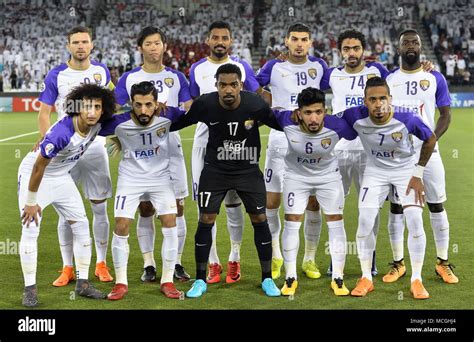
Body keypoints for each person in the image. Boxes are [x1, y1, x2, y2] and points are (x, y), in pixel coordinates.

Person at [169, 64, 281, 298]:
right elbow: (178, 122)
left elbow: (282, 123)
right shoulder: (205, 104)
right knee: (206, 218)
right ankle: (200, 280)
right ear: (216, 86)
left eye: (233, 84)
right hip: (215, 171)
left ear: (241, 85)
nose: (228, 90)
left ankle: (267, 278)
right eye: (223, 85)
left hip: (248, 171)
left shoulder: (255, 104)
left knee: (260, 218)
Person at [18, 84, 116, 307]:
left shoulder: (99, 124)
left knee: (81, 224)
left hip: (61, 176)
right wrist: (31, 202)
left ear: (103, 110)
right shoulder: (62, 133)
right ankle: (30, 289)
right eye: (87, 107)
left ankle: (83, 284)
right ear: (77, 108)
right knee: (31, 227)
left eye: (97, 107)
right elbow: (38, 167)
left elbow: (129, 119)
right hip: (36, 176)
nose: (91, 112)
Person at [339, 77, 436, 299]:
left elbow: (430, 139)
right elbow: (329, 121)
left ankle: (416, 280)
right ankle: (366, 277)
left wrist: (418, 174)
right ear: (365, 102)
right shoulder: (354, 115)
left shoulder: (407, 117)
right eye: (372, 99)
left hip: (405, 171)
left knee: (414, 219)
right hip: (375, 171)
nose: (378, 104)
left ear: (390, 99)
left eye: (383, 98)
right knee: (365, 220)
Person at [37, 26, 114, 286]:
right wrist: (45, 137)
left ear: (92, 45)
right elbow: (45, 111)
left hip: (94, 148)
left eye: (85, 41)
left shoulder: (101, 71)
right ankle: (67, 267)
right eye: (76, 42)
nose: (80, 46)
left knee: (99, 206)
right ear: (68, 46)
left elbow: (111, 103)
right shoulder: (57, 74)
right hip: (65, 151)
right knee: (64, 211)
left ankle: (101, 263)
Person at [115, 26, 193, 283]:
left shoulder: (177, 77)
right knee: (145, 208)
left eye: (157, 43)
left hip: (171, 148)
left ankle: (177, 262)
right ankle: (149, 263)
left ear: (164, 46)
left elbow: (188, 111)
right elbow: (114, 111)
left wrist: (167, 110)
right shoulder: (128, 78)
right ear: (140, 48)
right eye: (148, 43)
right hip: (141, 154)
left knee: (177, 208)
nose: (153, 47)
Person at [188, 21, 260, 284]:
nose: (220, 41)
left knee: (233, 203)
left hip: (235, 143)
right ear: (208, 40)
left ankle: (234, 258)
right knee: (205, 205)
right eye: (215, 37)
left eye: (225, 38)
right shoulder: (196, 69)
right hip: (203, 141)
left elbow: (257, 98)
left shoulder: (242, 67)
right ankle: (213, 263)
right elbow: (191, 105)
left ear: (231, 41)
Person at [385, 29, 457, 284]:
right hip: (399, 154)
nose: (411, 46)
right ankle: (398, 264)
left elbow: (446, 115)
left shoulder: (435, 77)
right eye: (406, 43)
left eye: (415, 42)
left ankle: (443, 262)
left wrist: (433, 138)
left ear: (420, 46)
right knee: (396, 208)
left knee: (437, 204)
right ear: (399, 48)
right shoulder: (389, 79)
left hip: (430, 152)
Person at [256, 23, 328, 280]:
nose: (299, 43)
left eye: (304, 39)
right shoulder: (273, 67)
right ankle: (276, 256)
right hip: (279, 140)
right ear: (286, 41)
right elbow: (251, 86)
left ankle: (308, 259)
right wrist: (269, 107)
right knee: (271, 202)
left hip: (311, 142)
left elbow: (342, 83)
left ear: (311, 42)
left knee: (312, 202)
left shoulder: (320, 67)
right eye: (295, 39)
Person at [272, 87, 357, 296]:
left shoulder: (338, 125)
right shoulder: (285, 120)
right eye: (308, 112)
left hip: (328, 177)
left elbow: (363, 120)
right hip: (296, 177)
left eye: (318, 112)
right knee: (292, 220)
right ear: (298, 112)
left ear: (325, 111)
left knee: (335, 220)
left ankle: (338, 278)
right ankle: (290, 277)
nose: (313, 118)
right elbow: (261, 110)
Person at [105, 81, 184, 300]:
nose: (143, 110)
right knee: (121, 225)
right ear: (131, 103)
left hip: (160, 179)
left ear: (156, 103)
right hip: (130, 179)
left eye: (148, 104)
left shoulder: (168, 116)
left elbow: (194, 113)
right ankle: (121, 283)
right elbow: (89, 124)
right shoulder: (118, 123)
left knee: (170, 221)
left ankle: (167, 281)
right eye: (138, 105)